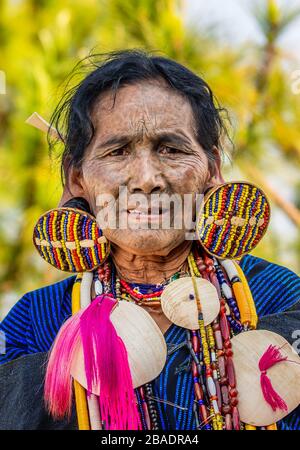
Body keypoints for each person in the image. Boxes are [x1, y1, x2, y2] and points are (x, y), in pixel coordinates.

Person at [0, 50, 299, 430]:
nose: (147, 178)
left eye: (171, 149)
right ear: (77, 179)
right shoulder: (35, 320)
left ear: (211, 170)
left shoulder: (277, 297)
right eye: (118, 150)